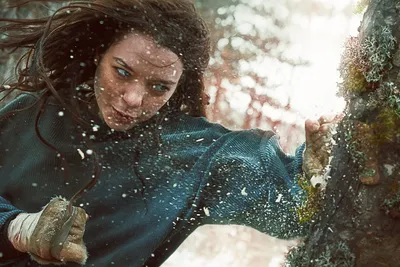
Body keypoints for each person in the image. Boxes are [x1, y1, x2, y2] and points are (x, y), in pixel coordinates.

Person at [0, 0, 338, 266]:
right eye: (121, 72)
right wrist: (16, 228)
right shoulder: (30, 114)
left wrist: (313, 174)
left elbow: (290, 213)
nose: (133, 99)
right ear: (98, 56)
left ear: (178, 87)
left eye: (159, 87)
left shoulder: (194, 152)